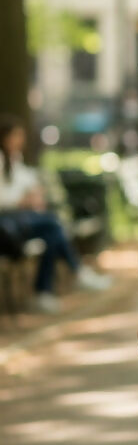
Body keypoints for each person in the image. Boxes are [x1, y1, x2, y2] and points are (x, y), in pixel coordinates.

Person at [0, 115, 111, 312]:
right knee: (53, 223)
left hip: (19, 222)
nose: (21, 140)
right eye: (17, 135)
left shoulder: (13, 158)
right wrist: (22, 201)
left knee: (52, 233)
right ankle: (71, 275)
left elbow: (27, 179)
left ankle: (47, 290)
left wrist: (35, 193)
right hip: (7, 226)